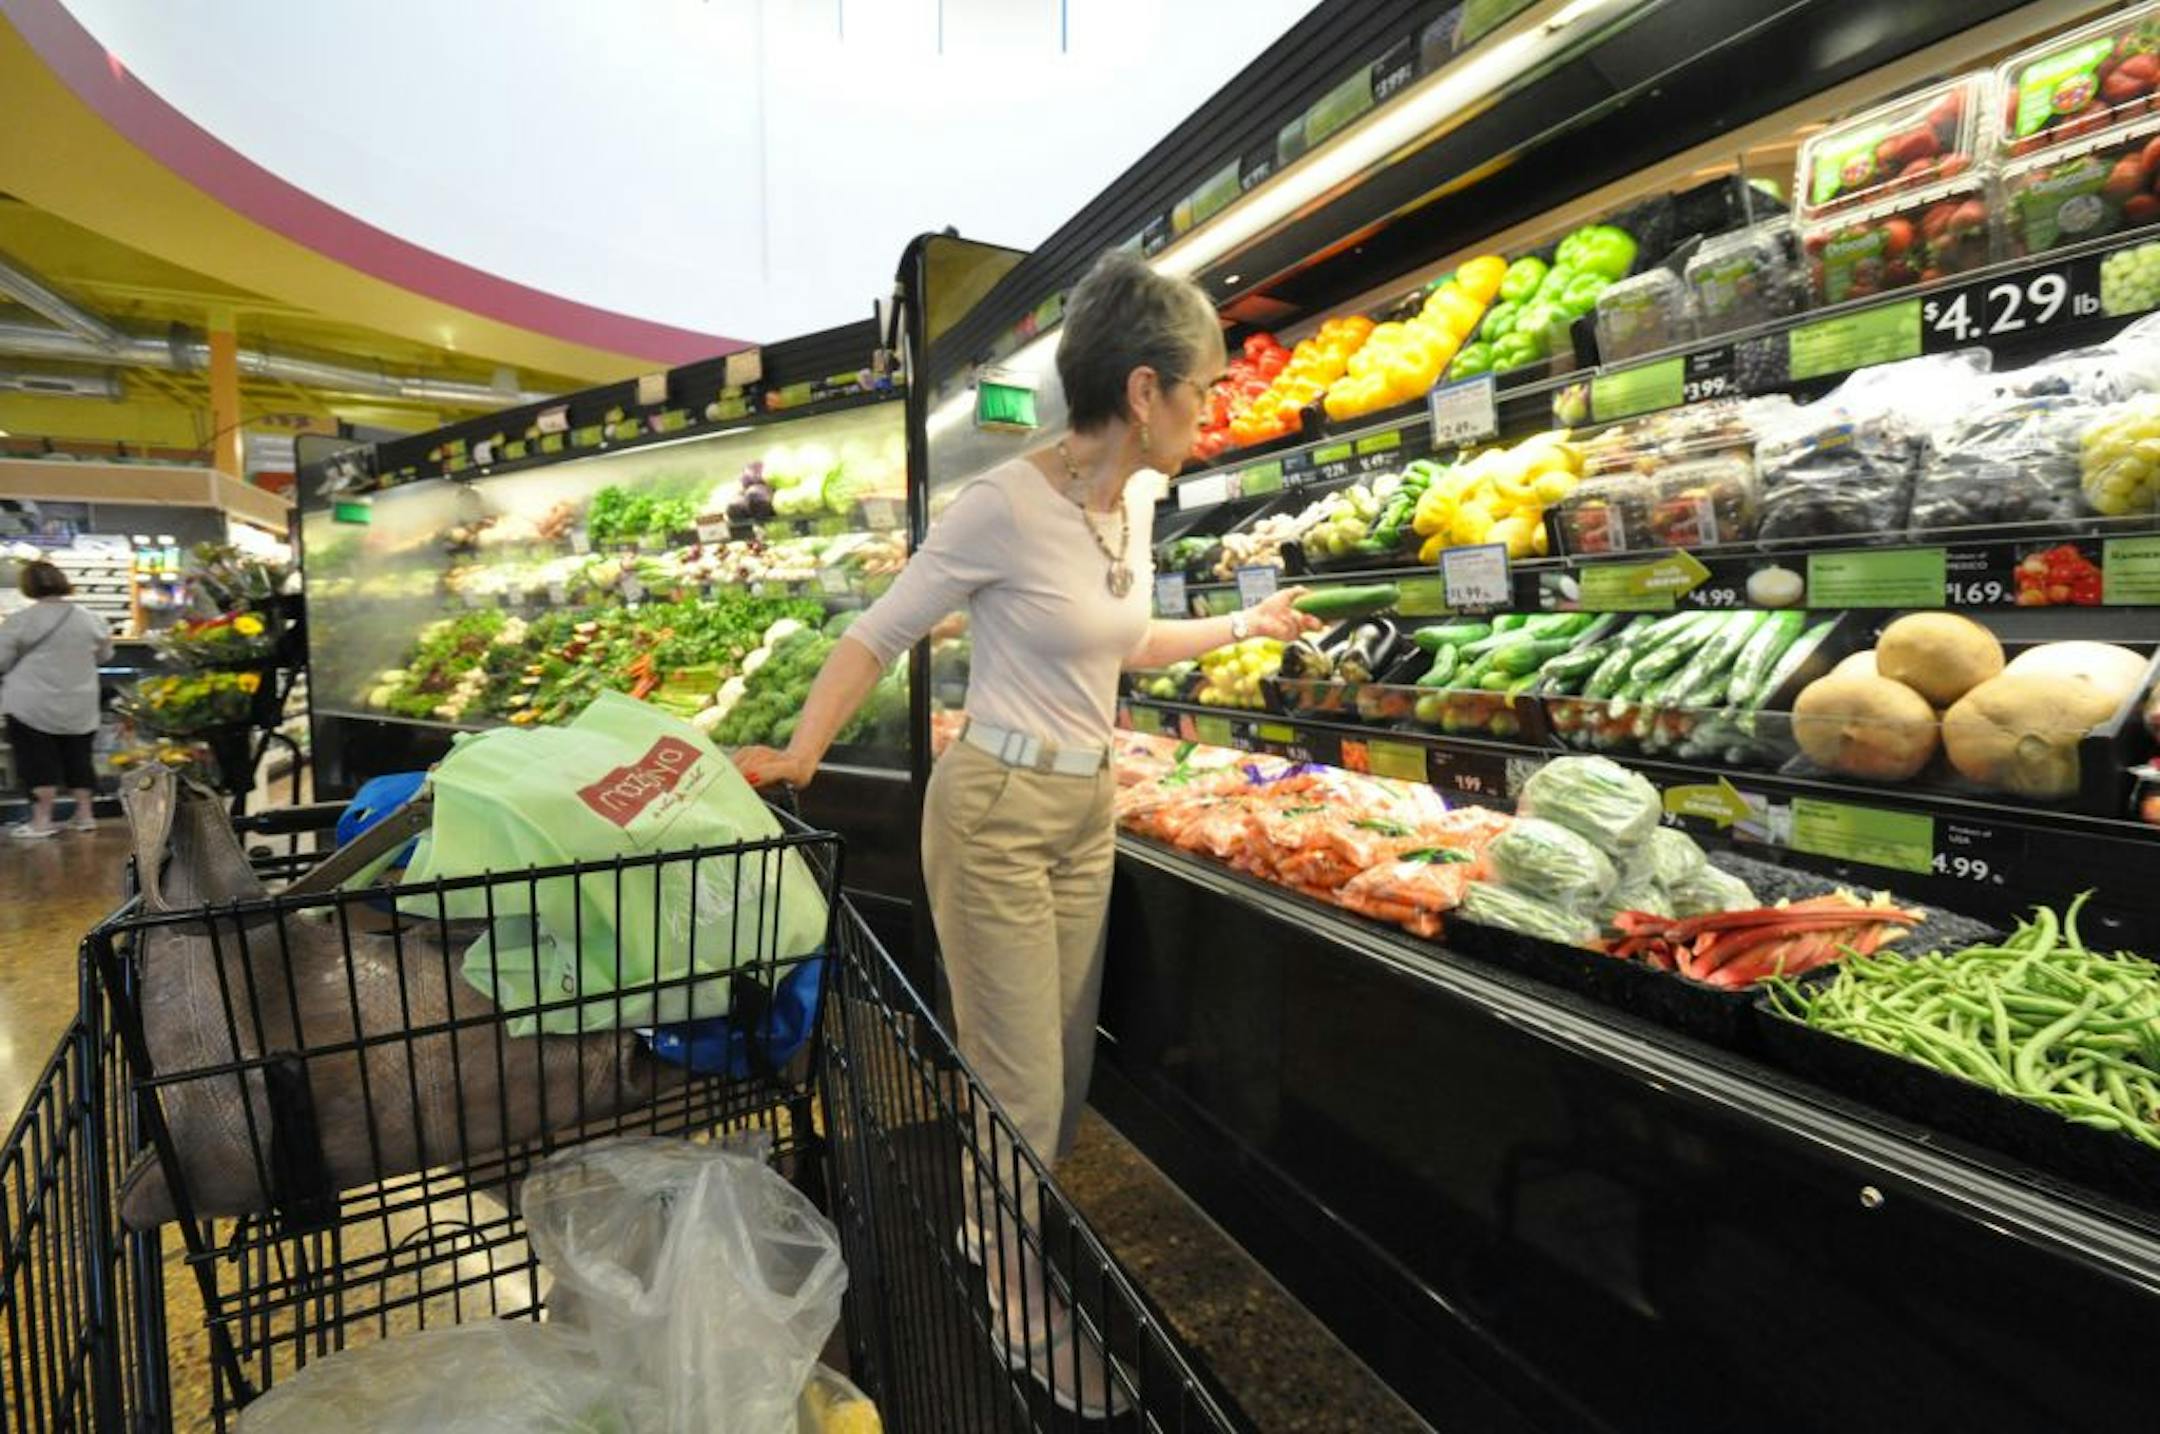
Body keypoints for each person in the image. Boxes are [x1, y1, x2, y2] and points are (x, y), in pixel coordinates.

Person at [733, 250, 1320, 1416]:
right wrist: (802, 753)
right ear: (1143, 392)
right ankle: (1018, 1308)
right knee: (1015, 1085)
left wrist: (1243, 623)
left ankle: (983, 1230)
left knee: (1058, 1077)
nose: (1209, 409)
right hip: (996, 810)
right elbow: (878, 634)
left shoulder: (1133, 503)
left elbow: (1125, 644)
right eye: (1200, 387)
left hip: (1086, 810)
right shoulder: (1004, 503)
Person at [1, 559, 113, 838]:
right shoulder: (91, 618)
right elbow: (105, 655)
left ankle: (41, 821)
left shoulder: (20, 621)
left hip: (30, 702)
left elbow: (1, 660)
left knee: (37, 759)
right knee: (79, 756)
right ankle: (85, 816)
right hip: (80, 699)